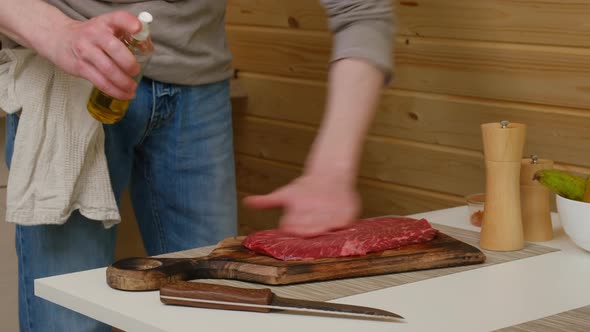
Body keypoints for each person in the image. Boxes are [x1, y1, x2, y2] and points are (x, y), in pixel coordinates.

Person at [0, 0, 393, 331]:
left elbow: (361, 9)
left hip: (199, 84)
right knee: (67, 317)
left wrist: (334, 169)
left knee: (213, 316)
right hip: (66, 73)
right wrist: (58, 32)